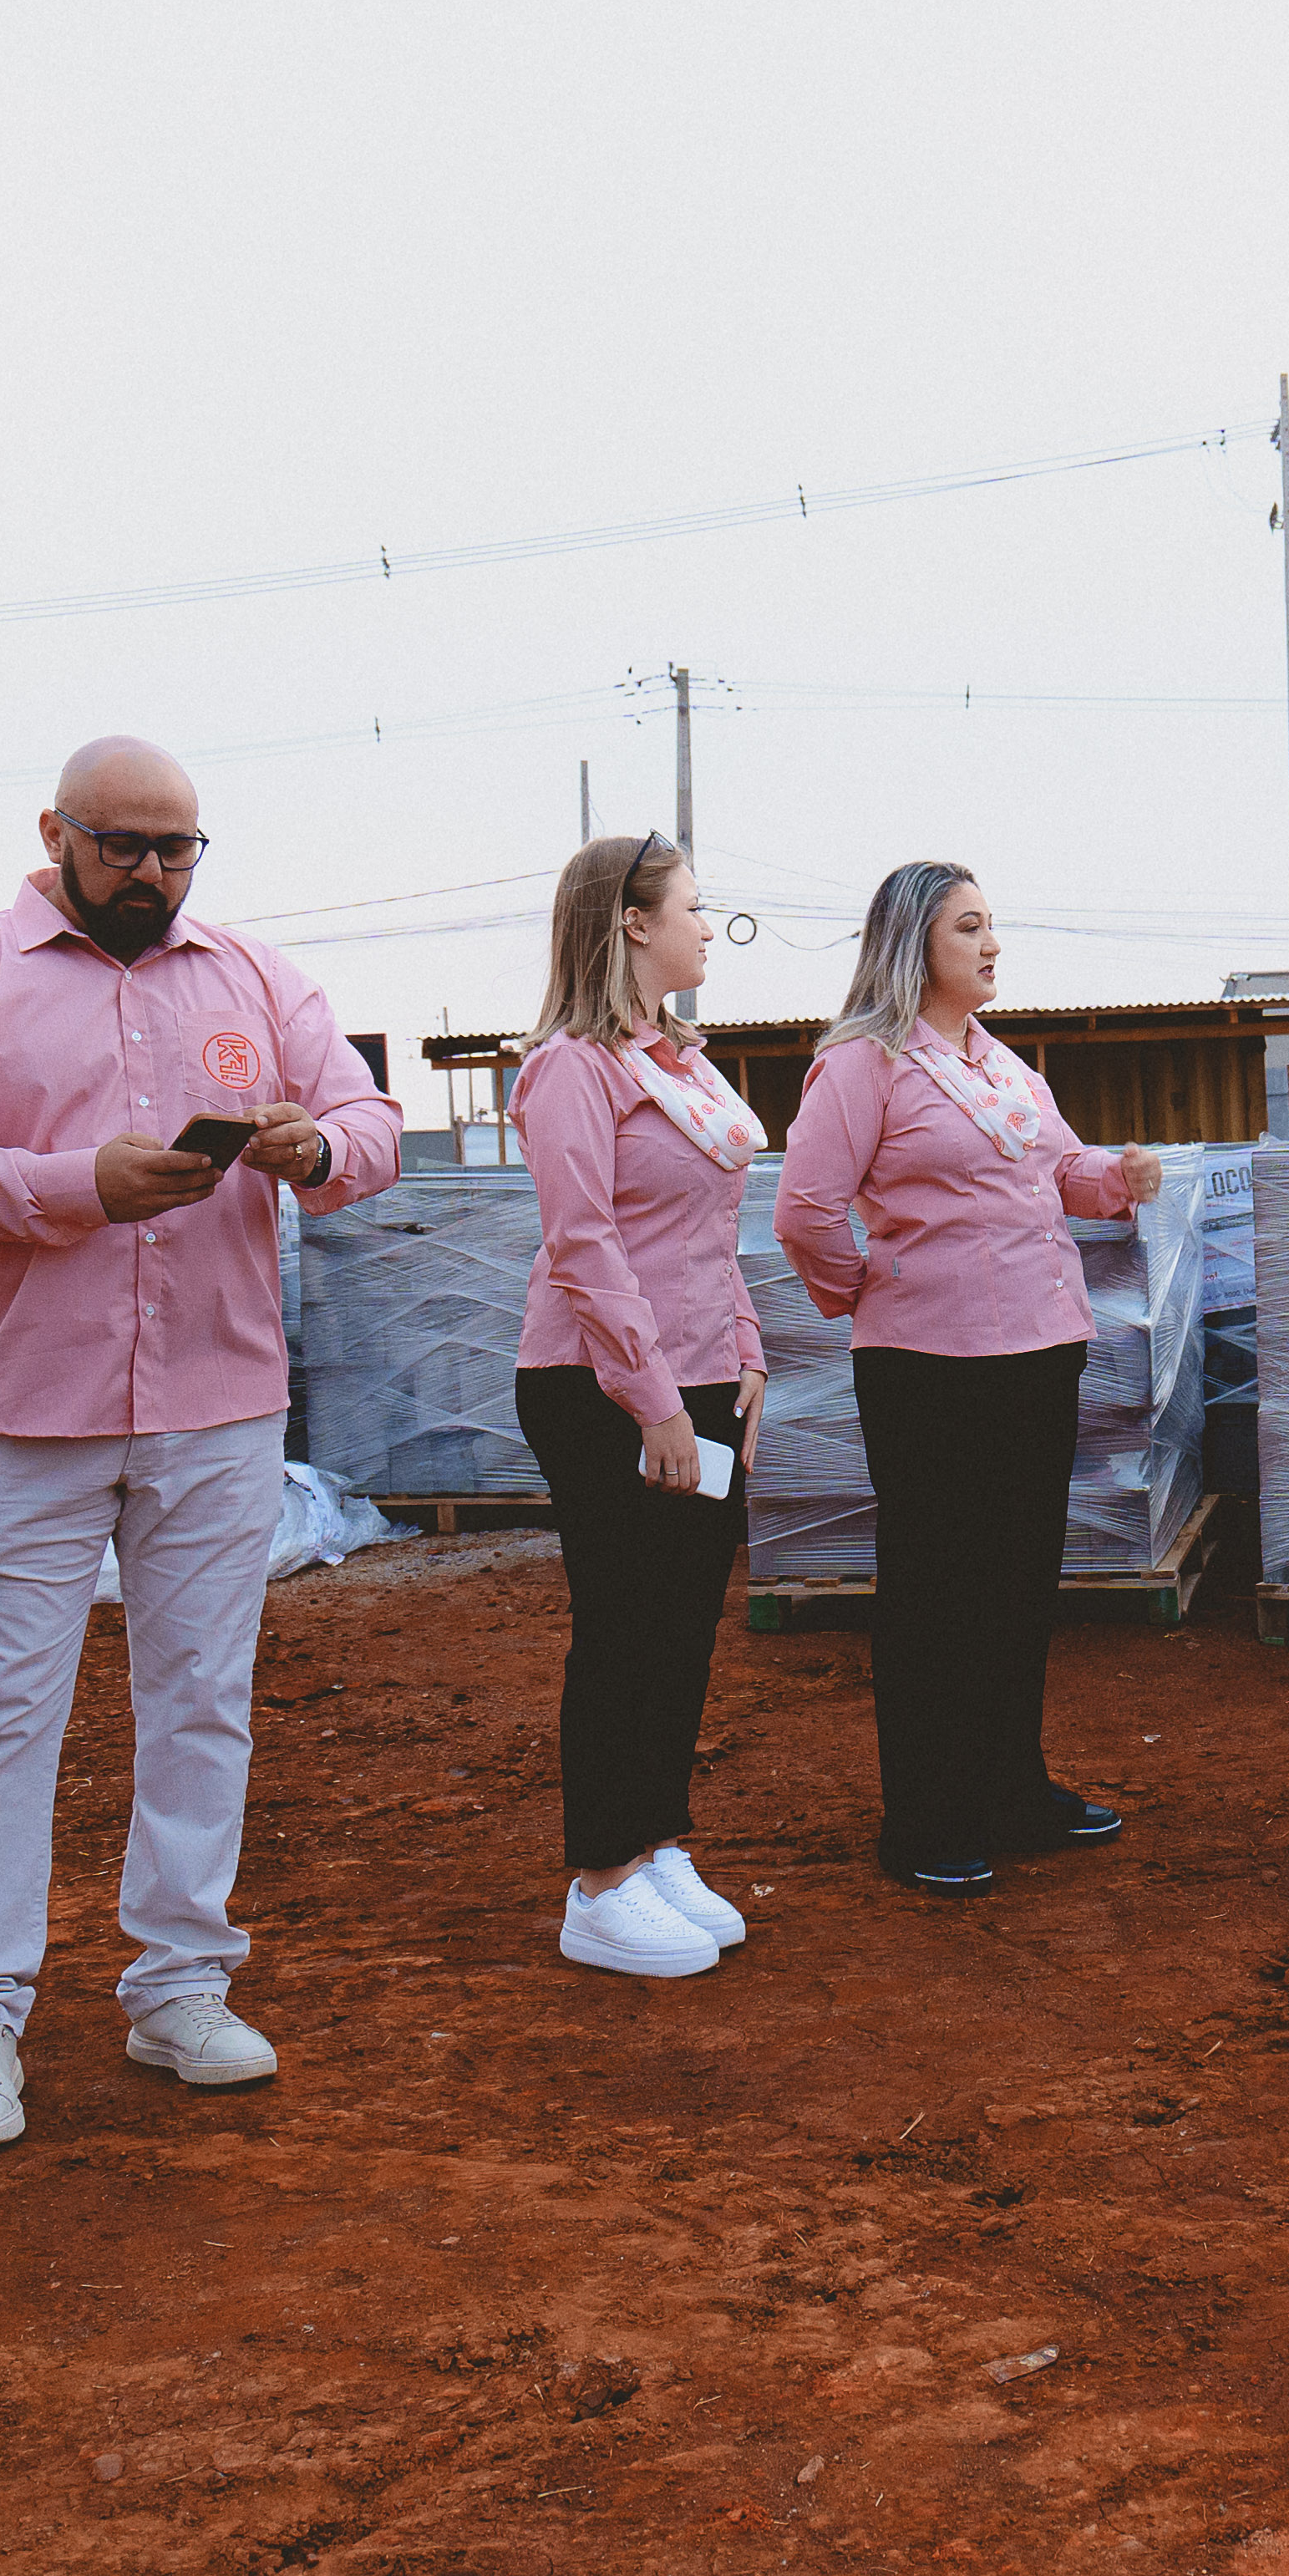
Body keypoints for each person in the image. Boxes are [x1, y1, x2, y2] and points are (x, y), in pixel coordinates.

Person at [0, 734, 403, 2154]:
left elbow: (370, 1121)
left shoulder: (256, 976)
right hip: (22, 1409)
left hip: (216, 1405)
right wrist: (69, 1187)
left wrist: (312, 1146)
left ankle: (179, 1984)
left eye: (177, 850)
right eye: (124, 848)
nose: (153, 875)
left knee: (203, 1696)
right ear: (56, 833)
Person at [773, 861, 1162, 1893]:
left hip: (1039, 1349)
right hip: (928, 1365)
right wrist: (877, 1288)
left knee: (1019, 1580)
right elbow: (805, 1210)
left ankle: (1010, 1788)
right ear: (913, 947)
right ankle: (927, 1816)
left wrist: (1117, 1180)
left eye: (993, 926)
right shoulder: (863, 1065)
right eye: (968, 928)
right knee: (936, 1590)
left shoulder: (1002, 1065)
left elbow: (1060, 1170)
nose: (991, 945)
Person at [510, 833, 768, 1979]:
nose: (709, 928)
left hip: (703, 1377)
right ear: (630, 922)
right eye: (695, 909)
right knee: (623, 1629)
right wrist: (656, 1401)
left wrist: (746, 1358)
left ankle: (658, 1844)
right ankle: (601, 1880)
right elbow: (584, 1245)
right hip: (600, 1386)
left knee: (682, 1627)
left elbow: (711, 1238)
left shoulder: (686, 1065)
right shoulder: (571, 1069)